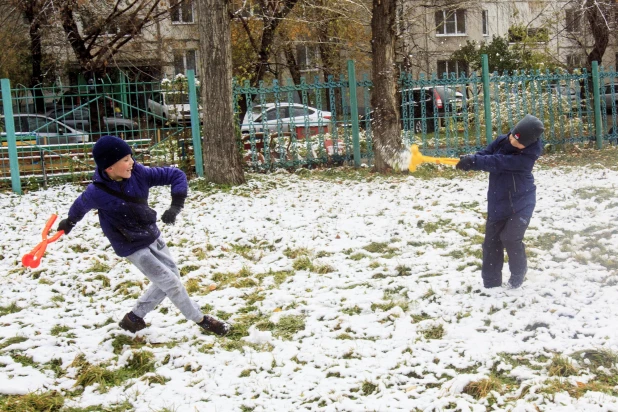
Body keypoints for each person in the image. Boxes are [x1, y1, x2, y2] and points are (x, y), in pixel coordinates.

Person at [56, 135, 230, 336]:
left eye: (131, 157)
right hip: (131, 245)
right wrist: (69, 222)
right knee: (170, 283)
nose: (132, 163)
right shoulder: (97, 192)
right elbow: (80, 205)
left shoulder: (139, 173)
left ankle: (134, 318)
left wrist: (175, 206)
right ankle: (202, 320)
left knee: (171, 275)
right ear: (109, 168)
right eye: (126, 160)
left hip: (151, 234)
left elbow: (176, 175)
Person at [456, 114, 544, 289]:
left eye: (518, 142)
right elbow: (486, 155)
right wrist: (471, 160)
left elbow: (500, 162)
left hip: (521, 204)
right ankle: (491, 283)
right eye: (512, 136)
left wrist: (477, 161)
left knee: (510, 238)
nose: (512, 142)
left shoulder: (527, 159)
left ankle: (519, 272)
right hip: (498, 202)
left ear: (528, 144)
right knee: (491, 244)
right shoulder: (502, 141)